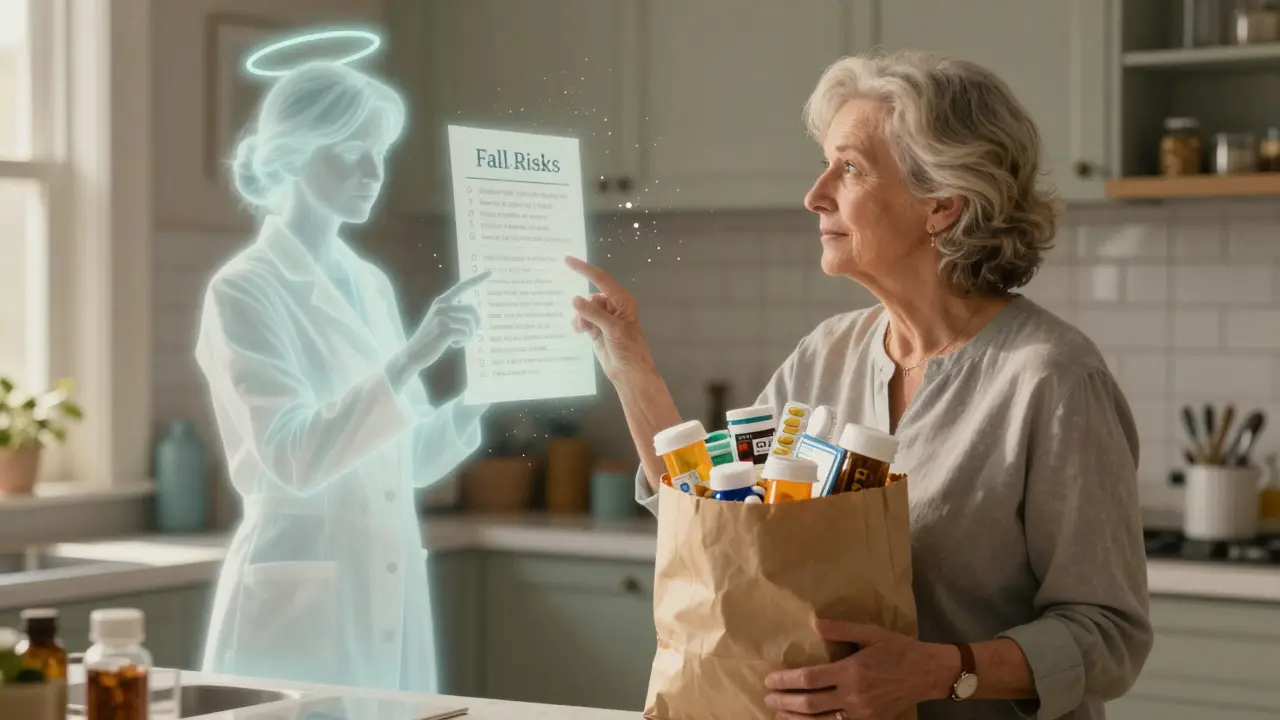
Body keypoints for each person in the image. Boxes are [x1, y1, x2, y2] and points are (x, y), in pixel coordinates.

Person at [567, 50, 1151, 720]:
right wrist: (631, 366)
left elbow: (1110, 637)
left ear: (942, 204)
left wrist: (941, 672)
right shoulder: (825, 355)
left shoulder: (1052, 379)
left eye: (848, 168)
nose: (814, 195)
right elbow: (714, 516)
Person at [194, 60, 490, 693]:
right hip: (295, 613)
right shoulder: (245, 289)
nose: (373, 172)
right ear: (295, 154)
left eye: (380, 152)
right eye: (352, 151)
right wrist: (412, 356)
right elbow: (294, 454)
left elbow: (401, 460)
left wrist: (482, 395)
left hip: (385, 590)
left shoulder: (369, 283)